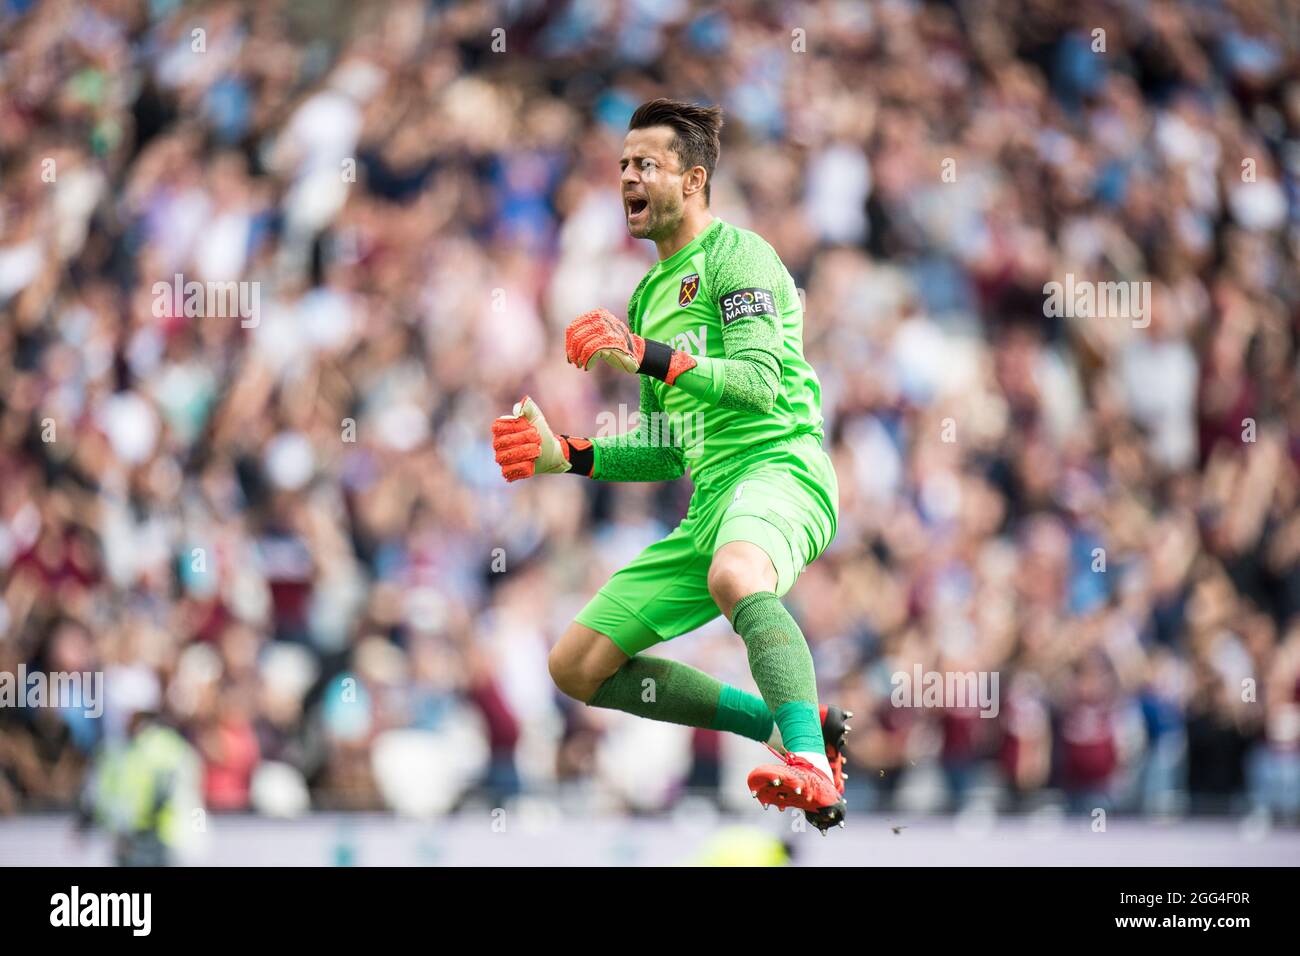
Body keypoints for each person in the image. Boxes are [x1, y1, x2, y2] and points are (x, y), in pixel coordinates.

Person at [491, 98, 850, 831]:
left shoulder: (738, 256)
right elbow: (667, 446)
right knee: (576, 665)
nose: (626, 176)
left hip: (780, 466)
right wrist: (570, 456)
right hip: (710, 501)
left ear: (692, 181)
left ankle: (813, 766)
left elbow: (758, 382)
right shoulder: (649, 295)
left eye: (644, 164)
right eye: (622, 164)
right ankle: (782, 727)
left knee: (735, 576)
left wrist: (649, 355)